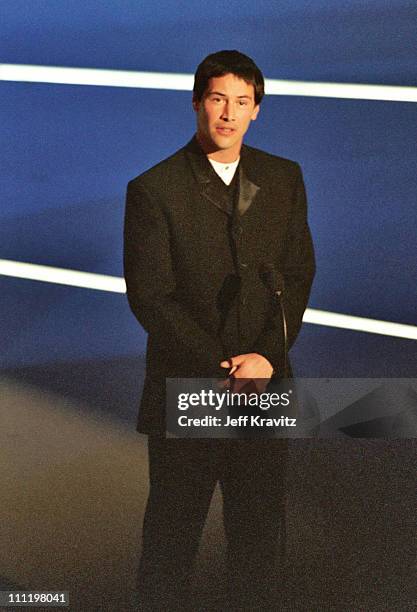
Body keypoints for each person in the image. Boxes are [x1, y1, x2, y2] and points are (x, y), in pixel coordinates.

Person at [124, 50, 315, 610]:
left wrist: (268, 357)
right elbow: (151, 298)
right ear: (196, 104)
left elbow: (299, 274)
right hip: (192, 384)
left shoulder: (283, 178)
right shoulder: (154, 189)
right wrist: (223, 366)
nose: (227, 114)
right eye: (216, 99)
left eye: (241, 101)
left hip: (264, 384)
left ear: (257, 109)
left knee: (260, 538)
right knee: (172, 538)